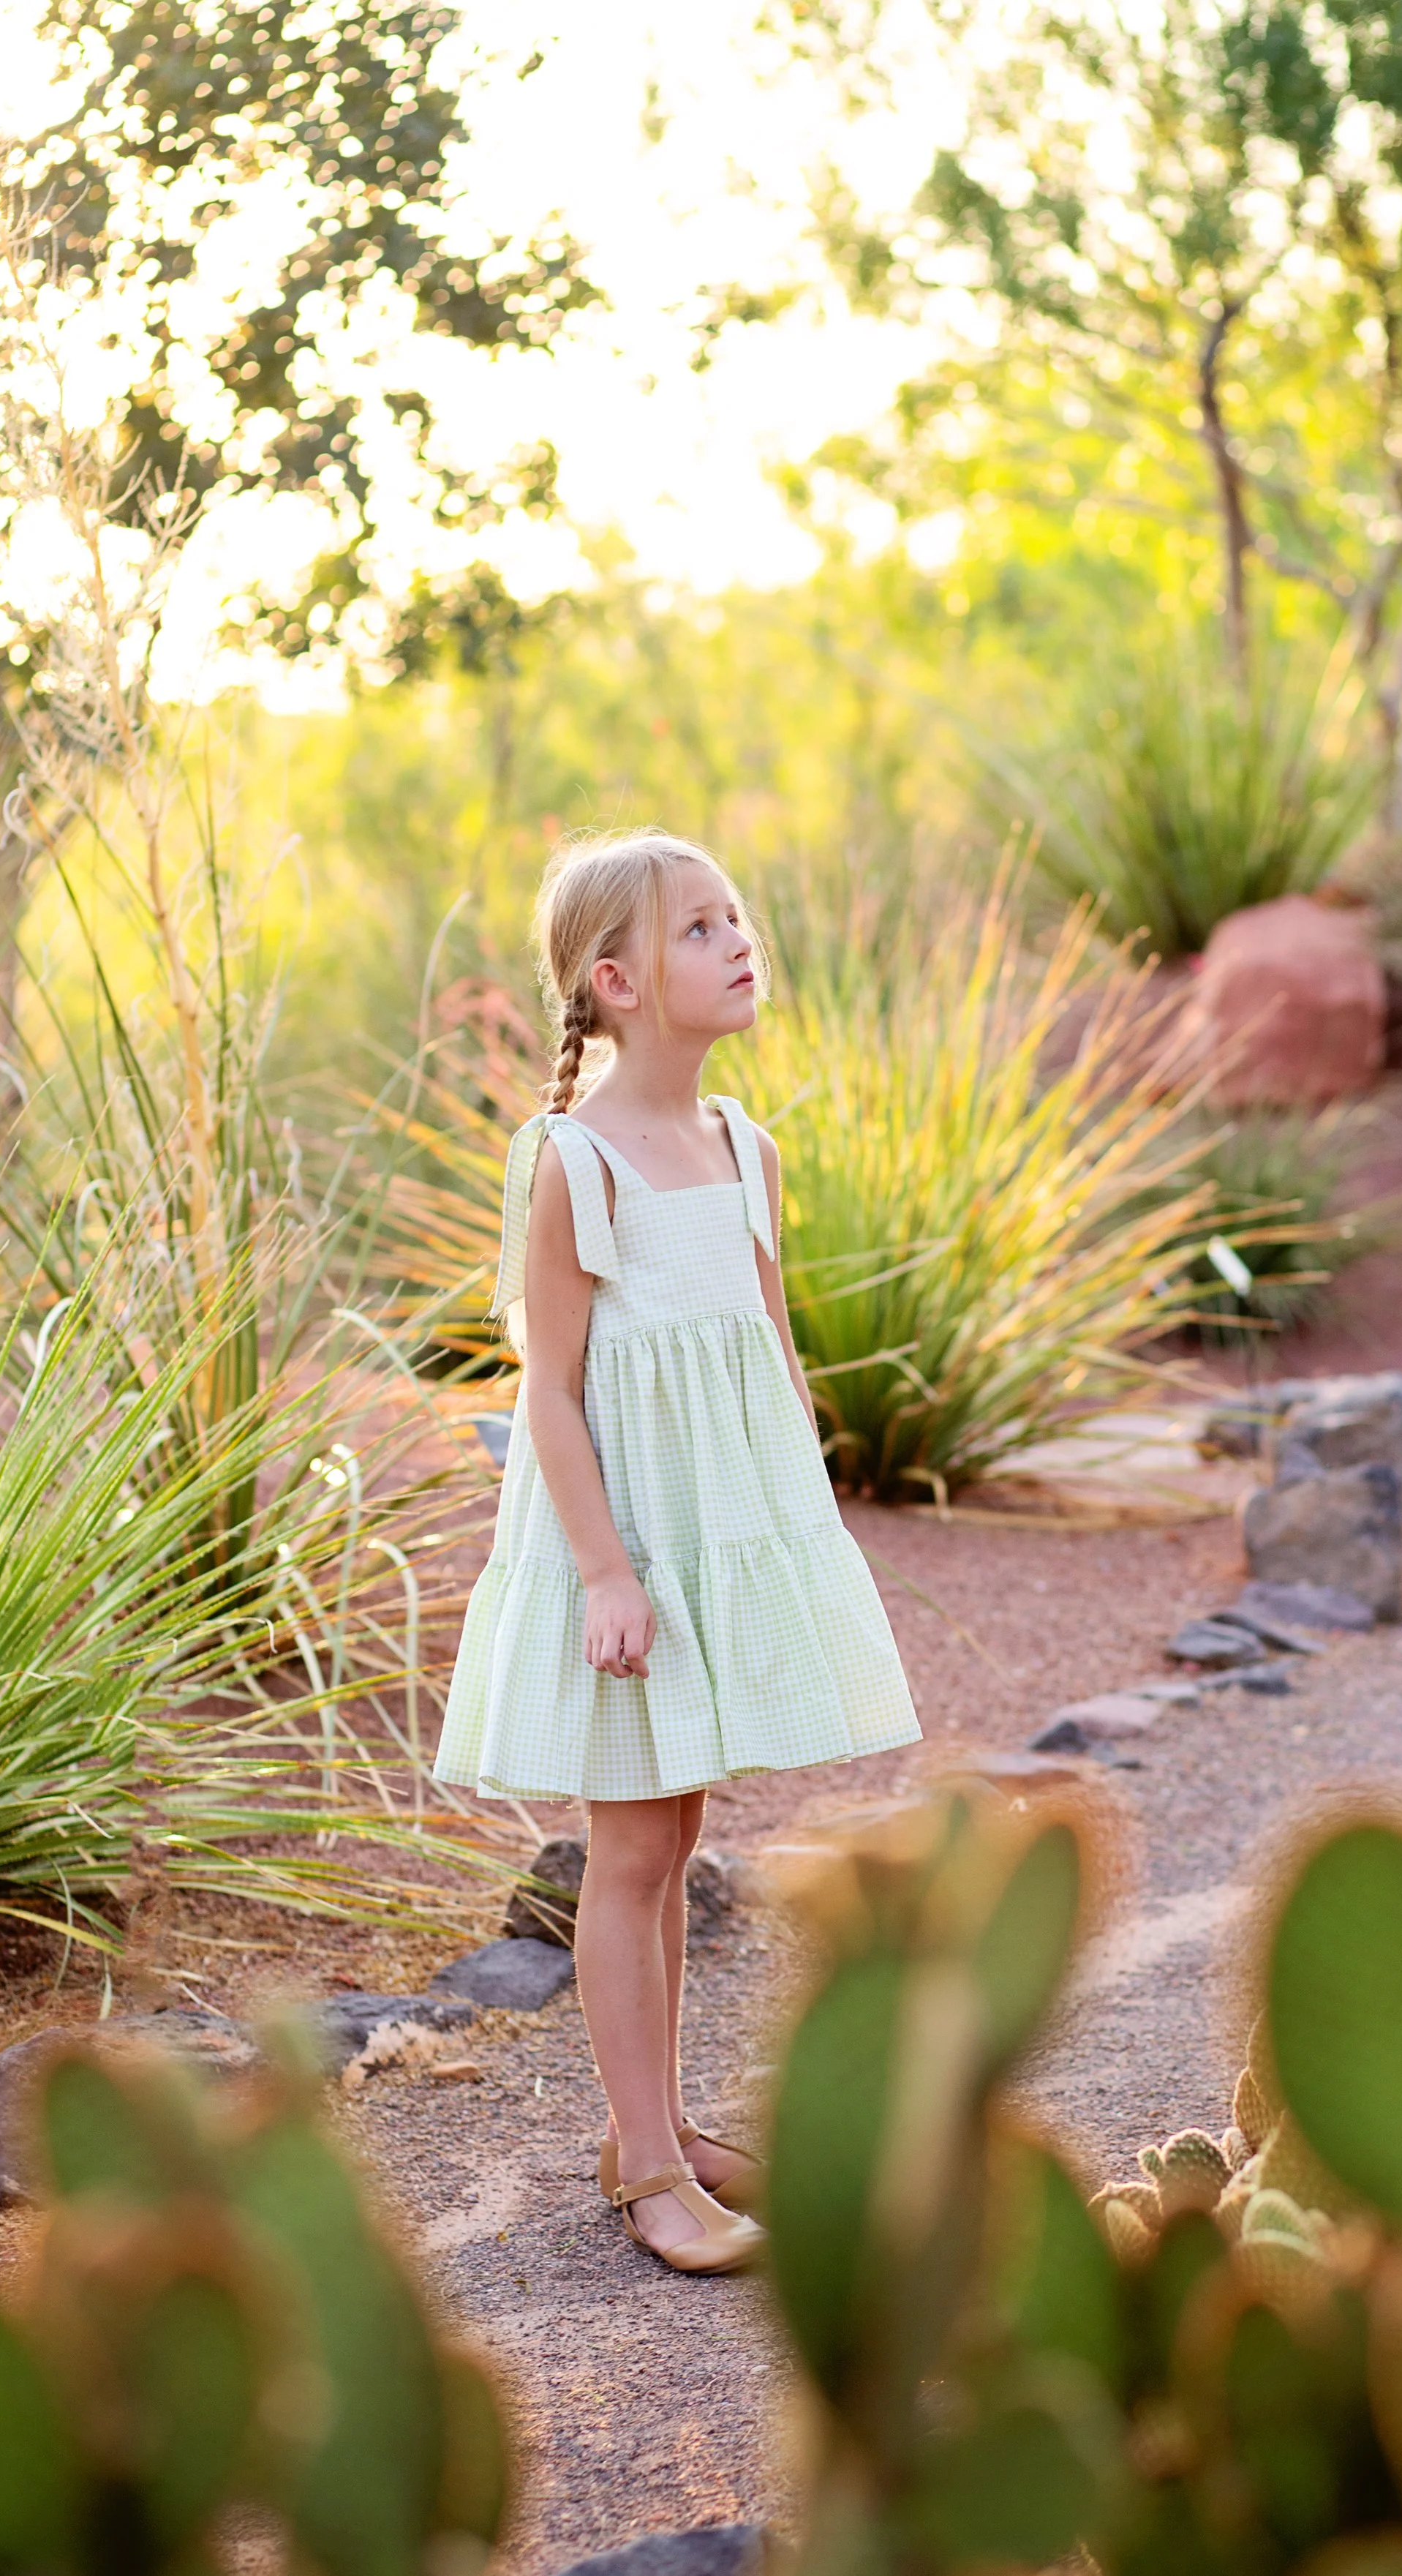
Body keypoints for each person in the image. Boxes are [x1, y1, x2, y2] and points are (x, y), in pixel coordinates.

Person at [435, 828, 920, 2274]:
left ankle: (660, 2126)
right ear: (616, 980)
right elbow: (551, 1390)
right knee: (632, 1846)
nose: (736, 940)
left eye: (733, 917)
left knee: (677, 1831)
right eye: (699, 927)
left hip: (719, 1540)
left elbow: (763, 1357)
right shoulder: (572, 1166)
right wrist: (602, 1571)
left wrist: (801, 1535)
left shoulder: (740, 1148)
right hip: (626, 1549)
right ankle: (644, 2165)